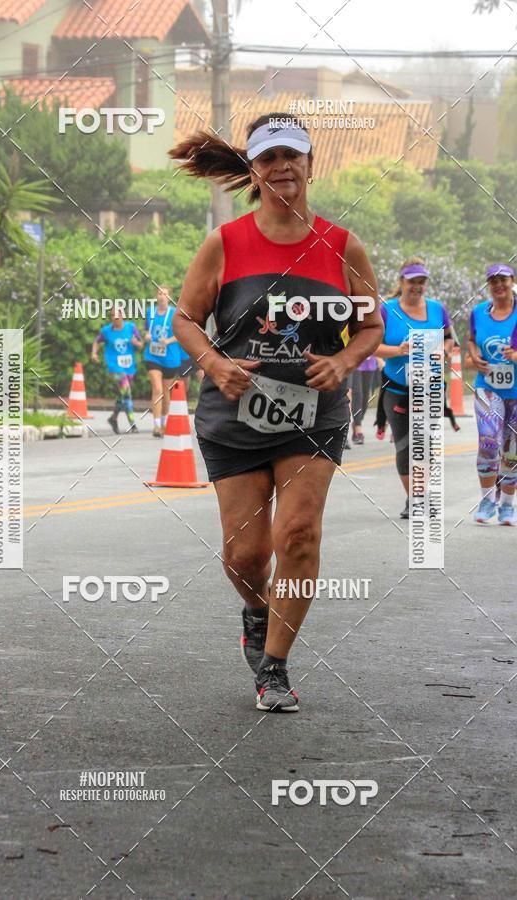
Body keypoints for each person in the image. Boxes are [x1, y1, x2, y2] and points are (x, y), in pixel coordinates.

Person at [169, 115, 383, 713]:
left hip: (313, 415)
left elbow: (371, 326)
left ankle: (276, 667)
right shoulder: (226, 243)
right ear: (254, 171)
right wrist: (214, 365)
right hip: (234, 417)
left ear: (311, 165)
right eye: (269, 159)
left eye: (293, 156)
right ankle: (258, 613)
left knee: (299, 534)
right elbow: (185, 319)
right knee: (246, 555)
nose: (282, 167)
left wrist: (343, 364)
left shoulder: (343, 246)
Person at [374, 259, 454, 519]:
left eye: (421, 282)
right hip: (398, 387)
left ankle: (421, 494)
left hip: (430, 387)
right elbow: (371, 346)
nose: (417, 287)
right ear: (401, 282)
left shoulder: (437, 309)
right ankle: (415, 499)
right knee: (406, 445)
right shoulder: (387, 310)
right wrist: (399, 350)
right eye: (412, 282)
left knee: (427, 445)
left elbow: (449, 338)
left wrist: (444, 351)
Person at [468, 264, 517, 525]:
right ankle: (487, 499)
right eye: (493, 281)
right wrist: (474, 356)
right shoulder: (478, 313)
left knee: (512, 450)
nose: (498, 285)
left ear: (512, 281)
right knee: (488, 443)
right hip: (488, 388)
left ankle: (507, 506)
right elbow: (472, 341)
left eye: (503, 280)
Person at [91, 307, 143, 434]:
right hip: (114, 366)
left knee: (122, 395)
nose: (115, 317)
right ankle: (132, 424)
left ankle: (113, 418)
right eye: (112, 315)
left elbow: (141, 345)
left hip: (129, 366)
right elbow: (96, 341)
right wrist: (94, 354)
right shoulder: (107, 331)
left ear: (123, 316)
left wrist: (136, 343)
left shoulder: (131, 327)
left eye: (117, 315)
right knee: (127, 393)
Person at [143, 285, 181, 437]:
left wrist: (169, 340)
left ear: (169, 297)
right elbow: (147, 330)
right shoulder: (150, 312)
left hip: (170, 357)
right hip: (152, 355)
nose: (162, 296)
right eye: (159, 293)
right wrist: (146, 335)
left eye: (165, 294)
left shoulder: (175, 313)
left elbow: (181, 334)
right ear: (156, 295)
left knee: (166, 391)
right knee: (157, 389)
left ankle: (165, 423)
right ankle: (156, 425)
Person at [350, 356, 378, 443]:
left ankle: (357, 422)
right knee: (358, 394)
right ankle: (358, 428)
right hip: (354, 360)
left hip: (369, 361)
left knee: (365, 399)